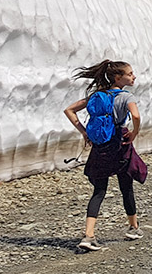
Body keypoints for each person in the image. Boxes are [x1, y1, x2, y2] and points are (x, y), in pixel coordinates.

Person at [63, 60, 147, 252]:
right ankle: (133, 228)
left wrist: (84, 132)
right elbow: (136, 116)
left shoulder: (97, 95)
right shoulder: (126, 96)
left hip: (101, 145)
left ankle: (89, 235)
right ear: (118, 77)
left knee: (99, 190)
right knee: (126, 186)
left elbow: (69, 110)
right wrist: (134, 133)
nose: (134, 76)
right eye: (130, 73)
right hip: (119, 143)